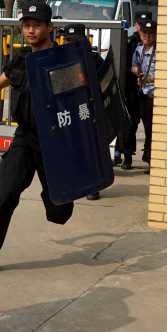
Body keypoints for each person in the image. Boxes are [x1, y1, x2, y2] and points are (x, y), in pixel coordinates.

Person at [0, 2, 74, 277]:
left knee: (60, 214)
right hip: (25, 138)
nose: (31, 30)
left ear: (50, 27)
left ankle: (52, 191)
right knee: (5, 197)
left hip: (55, 143)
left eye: (37, 25)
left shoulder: (63, 60)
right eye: (27, 25)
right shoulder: (20, 60)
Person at [62, 22, 107, 201]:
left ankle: (93, 185)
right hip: (68, 111)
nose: (71, 43)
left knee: (91, 147)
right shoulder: (59, 59)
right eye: (68, 40)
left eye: (76, 40)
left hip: (89, 110)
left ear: (84, 40)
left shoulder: (94, 59)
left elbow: (105, 82)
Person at [121, 11, 153, 169]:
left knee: (150, 127)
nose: (143, 29)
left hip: (148, 91)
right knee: (131, 125)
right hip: (133, 90)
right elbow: (124, 67)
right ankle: (127, 156)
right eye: (140, 24)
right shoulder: (130, 42)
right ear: (135, 25)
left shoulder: (155, 44)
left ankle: (148, 155)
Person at [131, 19, 156, 174]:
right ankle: (149, 159)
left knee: (154, 131)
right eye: (144, 32)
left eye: (150, 33)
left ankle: (154, 161)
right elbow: (133, 66)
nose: (147, 36)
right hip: (143, 96)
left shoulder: (160, 51)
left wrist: (149, 79)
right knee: (147, 130)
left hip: (155, 97)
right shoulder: (139, 49)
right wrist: (137, 72)